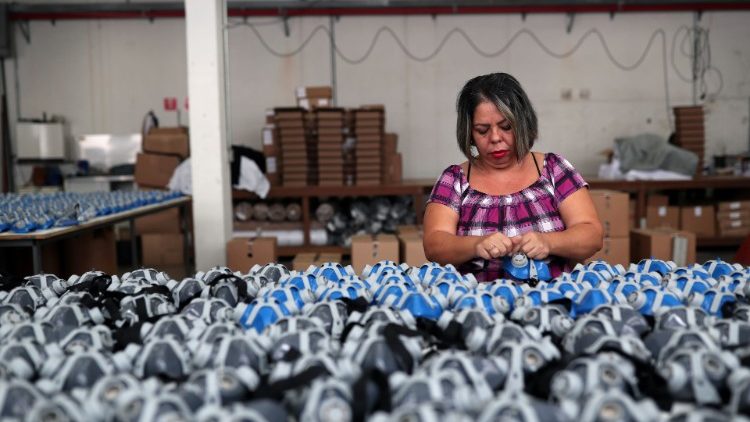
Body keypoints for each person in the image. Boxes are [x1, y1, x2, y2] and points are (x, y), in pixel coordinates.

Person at [423, 73, 603, 282]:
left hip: (553, 296)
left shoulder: (555, 170)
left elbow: (592, 235)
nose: (495, 138)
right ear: (469, 133)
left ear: (523, 123)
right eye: (482, 130)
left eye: (506, 126)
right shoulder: (454, 180)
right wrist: (475, 245)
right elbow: (434, 244)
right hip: (477, 300)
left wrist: (549, 242)